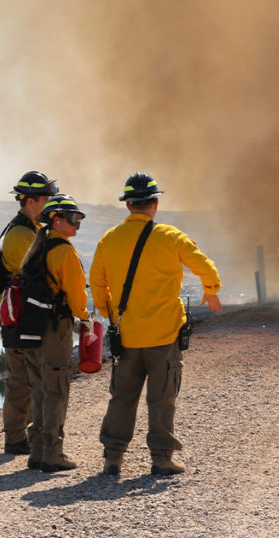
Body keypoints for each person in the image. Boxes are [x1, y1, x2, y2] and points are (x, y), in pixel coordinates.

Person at [91, 172, 222, 476]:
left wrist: (111, 315)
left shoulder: (109, 239)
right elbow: (205, 266)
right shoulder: (171, 237)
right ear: (155, 203)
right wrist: (211, 289)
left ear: (128, 206)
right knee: (161, 398)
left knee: (122, 397)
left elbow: (98, 284)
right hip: (164, 335)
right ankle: (162, 459)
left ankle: (113, 458)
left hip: (127, 335)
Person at [20, 194, 95, 472]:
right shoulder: (65, 251)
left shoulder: (37, 249)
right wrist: (86, 321)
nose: (77, 223)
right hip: (55, 329)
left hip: (32, 330)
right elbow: (77, 298)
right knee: (57, 388)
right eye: (73, 218)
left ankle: (37, 451)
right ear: (57, 220)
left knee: (39, 387)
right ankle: (53, 454)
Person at [2, 171, 58, 455]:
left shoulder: (30, 230)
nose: (50, 203)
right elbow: (36, 274)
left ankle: (28, 434)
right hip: (23, 317)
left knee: (30, 378)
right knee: (20, 381)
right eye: (46, 199)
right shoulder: (22, 234)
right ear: (32, 200)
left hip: (28, 315)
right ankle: (15, 438)